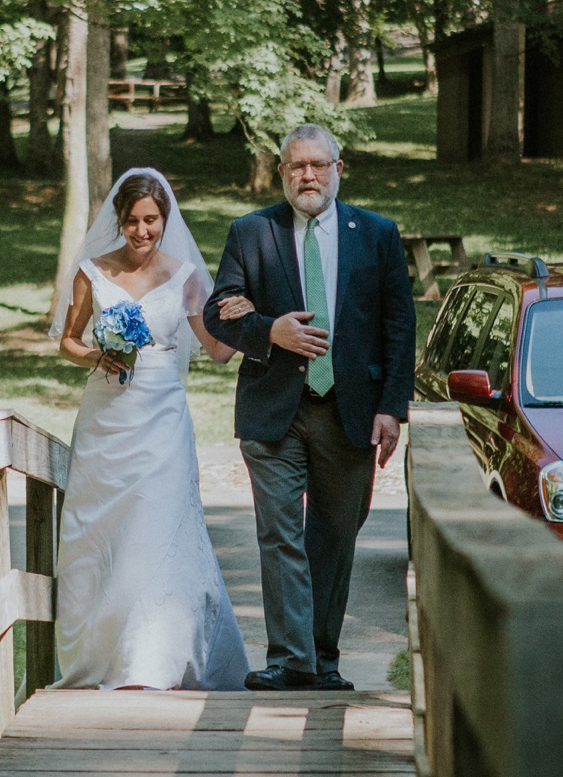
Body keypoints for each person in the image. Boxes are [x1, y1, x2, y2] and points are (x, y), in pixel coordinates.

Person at [203, 124, 416, 691]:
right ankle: (291, 659)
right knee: (280, 535)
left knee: (335, 535)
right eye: (297, 166)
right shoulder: (252, 233)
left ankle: (322, 658)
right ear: (282, 172)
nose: (308, 176)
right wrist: (268, 329)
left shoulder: (377, 234)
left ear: (338, 169)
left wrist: (393, 408)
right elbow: (217, 310)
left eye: (319, 165)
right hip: (274, 410)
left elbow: (399, 326)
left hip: (351, 411)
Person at [47, 168, 252, 690]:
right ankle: (102, 652)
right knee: (102, 532)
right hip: (106, 419)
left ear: (165, 220)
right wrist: (100, 353)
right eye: (134, 221)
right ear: (119, 220)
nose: (143, 231)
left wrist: (247, 314)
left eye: (152, 221)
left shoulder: (185, 276)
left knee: (157, 528)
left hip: (162, 419)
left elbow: (219, 351)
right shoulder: (91, 272)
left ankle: (151, 660)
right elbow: (67, 341)